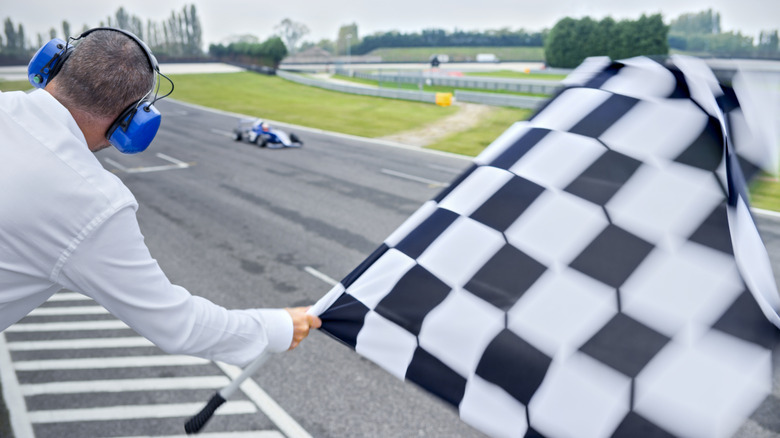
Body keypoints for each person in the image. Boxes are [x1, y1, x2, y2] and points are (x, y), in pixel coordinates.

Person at [0, 28, 321, 366]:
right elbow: (178, 325)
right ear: (132, 121)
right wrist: (278, 327)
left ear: (52, 63)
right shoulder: (90, 202)